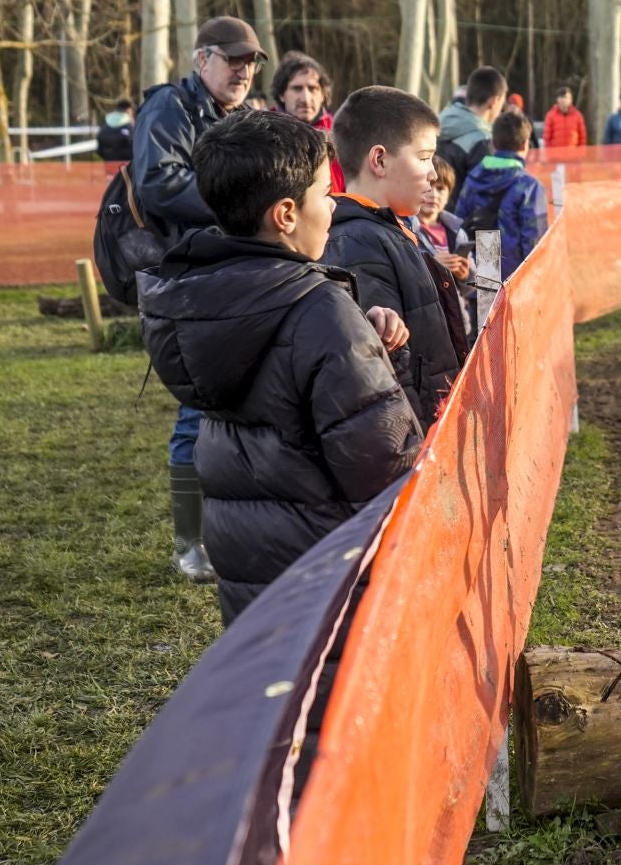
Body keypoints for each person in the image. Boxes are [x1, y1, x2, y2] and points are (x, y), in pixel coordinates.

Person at [137, 110, 421, 625]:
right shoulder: (320, 313)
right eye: (322, 193)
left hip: (254, 575)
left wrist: (362, 332)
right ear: (286, 214)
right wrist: (382, 357)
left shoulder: (203, 298)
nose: (332, 205)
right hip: (335, 583)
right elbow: (385, 470)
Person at [131, 16, 267, 583]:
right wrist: (241, 200)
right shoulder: (170, 107)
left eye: (251, 61)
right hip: (188, 281)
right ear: (200, 58)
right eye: (232, 58)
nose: (243, 69)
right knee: (197, 412)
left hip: (233, 275)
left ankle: (230, 534)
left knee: (238, 405)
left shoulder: (239, 117)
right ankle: (191, 545)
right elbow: (156, 183)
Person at [324, 86, 470, 428]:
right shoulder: (357, 244)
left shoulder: (392, 230)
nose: (433, 173)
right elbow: (384, 372)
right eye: (423, 157)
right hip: (413, 442)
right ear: (379, 160)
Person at [456, 109, 548, 279]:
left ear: (492, 143)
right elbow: (535, 242)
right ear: (525, 144)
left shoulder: (473, 179)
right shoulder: (530, 187)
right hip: (516, 280)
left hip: (479, 271)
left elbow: (458, 226)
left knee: (486, 306)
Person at [269, 51, 343, 190]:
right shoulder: (265, 133)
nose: (306, 98)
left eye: (313, 88)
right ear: (281, 94)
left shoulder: (341, 133)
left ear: (322, 95)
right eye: (297, 89)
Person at [418, 156, 475, 332]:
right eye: (428, 186)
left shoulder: (457, 233)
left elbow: (470, 287)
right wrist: (433, 267)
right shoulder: (406, 229)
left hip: (455, 321)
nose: (433, 194)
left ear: (449, 194)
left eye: (441, 188)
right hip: (425, 324)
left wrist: (464, 275)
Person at [436, 65, 508, 200]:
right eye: (501, 102)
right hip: (462, 220)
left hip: (430, 217)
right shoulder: (483, 142)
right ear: (494, 102)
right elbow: (482, 197)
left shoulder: (435, 125)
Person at [96, 99, 136, 170]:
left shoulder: (105, 124)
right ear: (129, 111)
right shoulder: (129, 126)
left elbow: (99, 148)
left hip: (109, 164)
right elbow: (134, 146)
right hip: (126, 166)